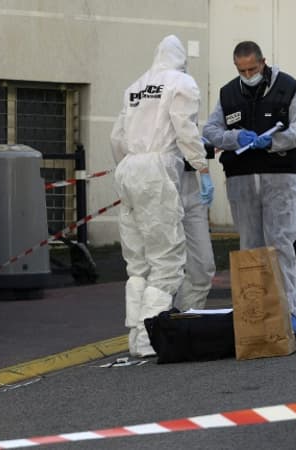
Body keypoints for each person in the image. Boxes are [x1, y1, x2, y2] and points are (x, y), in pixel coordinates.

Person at [110, 35, 213, 357]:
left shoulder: (135, 86)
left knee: (138, 264)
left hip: (128, 170)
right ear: (182, 59)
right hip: (158, 170)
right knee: (167, 262)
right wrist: (202, 167)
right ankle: (149, 339)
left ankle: (135, 337)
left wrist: (131, 167)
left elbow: (117, 136)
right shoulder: (180, 82)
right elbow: (185, 129)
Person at [202, 40, 296, 329]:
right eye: (242, 69)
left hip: (279, 176)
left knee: (280, 244)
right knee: (250, 247)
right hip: (242, 178)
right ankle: (255, 317)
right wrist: (234, 137)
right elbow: (211, 131)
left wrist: (275, 141)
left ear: (263, 62)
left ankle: (289, 314)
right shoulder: (228, 94)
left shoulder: (288, 87)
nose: (248, 73)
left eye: (252, 68)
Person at [174, 141, 217, 312]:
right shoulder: (137, 114)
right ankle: (154, 328)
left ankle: (186, 319)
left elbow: (188, 135)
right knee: (163, 269)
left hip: (190, 183)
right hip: (161, 182)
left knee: (203, 266)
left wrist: (202, 168)